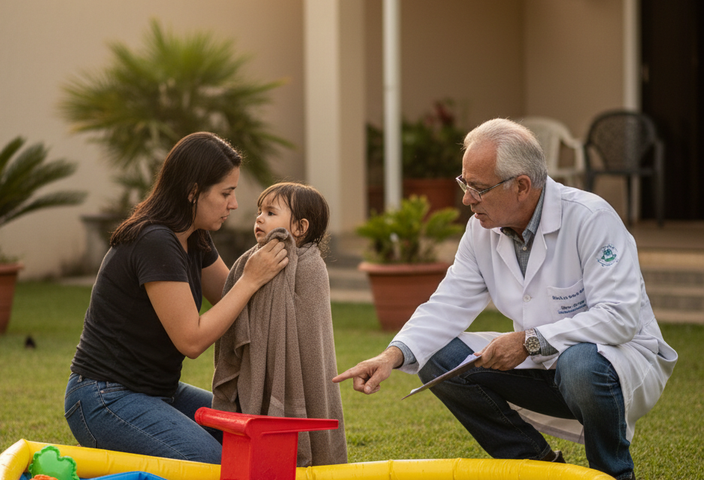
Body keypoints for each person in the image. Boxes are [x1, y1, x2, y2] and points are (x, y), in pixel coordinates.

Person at [333, 118, 677, 480]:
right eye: (464, 183)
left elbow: (620, 317)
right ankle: (538, 468)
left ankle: (614, 473)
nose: (466, 199)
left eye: (477, 188)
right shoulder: (481, 231)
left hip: (616, 366)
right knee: (437, 356)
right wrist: (391, 356)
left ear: (522, 186)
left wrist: (530, 341)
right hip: (546, 368)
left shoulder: (591, 218)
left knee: (579, 362)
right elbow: (447, 305)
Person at [64, 132, 289, 464]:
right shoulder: (154, 240)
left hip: (158, 393)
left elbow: (236, 303)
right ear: (193, 192)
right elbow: (192, 339)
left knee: (259, 439)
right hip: (104, 397)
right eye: (226, 193)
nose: (234, 204)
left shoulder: (195, 237)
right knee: (215, 466)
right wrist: (250, 279)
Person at [212, 182, 348, 466]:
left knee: (308, 407)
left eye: (271, 212)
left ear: (299, 228)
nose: (260, 218)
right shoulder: (251, 261)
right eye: (259, 212)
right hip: (260, 361)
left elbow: (312, 336)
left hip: (297, 366)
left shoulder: (311, 268)